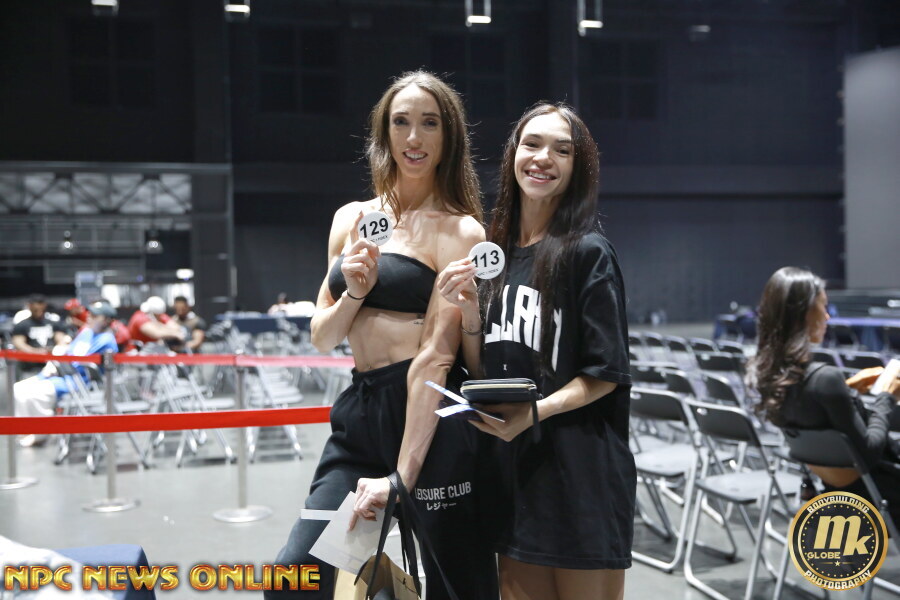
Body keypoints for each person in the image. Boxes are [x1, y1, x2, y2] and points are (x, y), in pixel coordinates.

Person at [268, 71, 496, 600]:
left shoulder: (460, 230)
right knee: (295, 575)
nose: (414, 138)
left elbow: (437, 359)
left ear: (448, 137)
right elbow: (322, 337)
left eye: (429, 123)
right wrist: (353, 292)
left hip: (429, 414)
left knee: (456, 587)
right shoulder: (350, 219)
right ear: (384, 133)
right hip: (362, 411)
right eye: (401, 122)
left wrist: (401, 477)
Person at [436, 103, 635, 600]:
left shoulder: (587, 251)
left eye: (561, 150)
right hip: (515, 476)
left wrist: (535, 413)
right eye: (532, 144)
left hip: (579, 477)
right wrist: (470, 313)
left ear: (577, 166)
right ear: (513, 155)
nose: (543, 157)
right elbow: (486, 369)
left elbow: (605, 373)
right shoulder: (496, 255)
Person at [747, 266, 900, 524]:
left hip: (836, 499)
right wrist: (886, 396)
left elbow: (815, 410)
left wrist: (848, 391)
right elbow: (868, 454)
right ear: (804, 314)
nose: (828, 316)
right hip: (881, 499)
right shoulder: (824, 379)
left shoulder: (769, 376)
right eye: (823, 306)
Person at [13, 301, 119, 447]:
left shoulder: (106, 340)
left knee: (35, 393)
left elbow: (77, 363)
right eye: (90, 314)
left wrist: (60, 362)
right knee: (18, 388)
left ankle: (41, 433)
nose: (89, 317)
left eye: (95, 316)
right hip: (61, 373)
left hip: (77, 382)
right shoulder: (86, 332)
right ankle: (25, 430)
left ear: (106, 320)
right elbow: (68, 352)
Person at [11, 294, 68, 374]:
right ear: (30, 306)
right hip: (30, 367)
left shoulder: (54, 324)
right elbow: (19, 344)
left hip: (51, 365)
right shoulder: (22, 325)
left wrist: (55, 350)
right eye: (36, 310)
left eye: (41, 309)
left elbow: (61, 340)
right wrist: (36, 352)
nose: (39, 312)